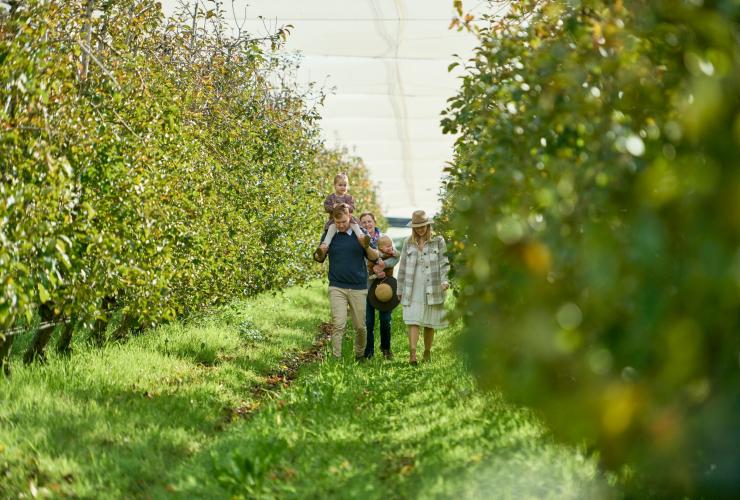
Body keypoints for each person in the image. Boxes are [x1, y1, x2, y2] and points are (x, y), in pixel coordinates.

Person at [396, 210, 450, 365]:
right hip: (412, 288)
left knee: (428, 322)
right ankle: (412, 354)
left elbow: (444, 262)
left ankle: (427, 351)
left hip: (432, 286)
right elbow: (403, 267)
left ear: (428, 225)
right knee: (413, 320)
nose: (420, 229)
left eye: (423, 226)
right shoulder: (408, 242)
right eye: (417, 226)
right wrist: (399, 289)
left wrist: (445, 280)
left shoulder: (438, 241)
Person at [325, 204, 378, 360]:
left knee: (361, 327)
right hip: (337, 286)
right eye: (338, 222)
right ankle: (336, 358)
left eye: (344, 222)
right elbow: (320, 256)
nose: (341, 225)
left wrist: (366, 246)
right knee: (338, 324)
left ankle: (360, 355)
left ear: (350, 218)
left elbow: (374, 257)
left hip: (358, 287)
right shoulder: (331, 233)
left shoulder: (360, 234)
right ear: (334, 220)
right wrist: (320, 250)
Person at [360, 213, 399, 359]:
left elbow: (395, 257)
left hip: (385, 286)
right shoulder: (360, 239)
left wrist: (383, 266)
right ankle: (368, 352)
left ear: (374, 222)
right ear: (360, 224)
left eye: (369, 221)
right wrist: (372, 269)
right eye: (363, 222)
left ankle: (386, 349)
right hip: (368, 284)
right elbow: (360, 261)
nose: (367, 224)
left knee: (385, 319)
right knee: (368, 321)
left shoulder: (385, 237)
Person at [313, 172, 367, 262]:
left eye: (345, 185)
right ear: (335, 185)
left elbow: (353, 208)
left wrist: (347, 206)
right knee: (330, 231)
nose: (343, 187)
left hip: (348, 220)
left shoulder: (349, 198)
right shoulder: (331, 197)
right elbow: (326, 207)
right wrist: (332, 207)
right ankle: (324, 247)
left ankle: (362, 237)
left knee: (355, 226)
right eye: (340, 185)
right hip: (334, 220)